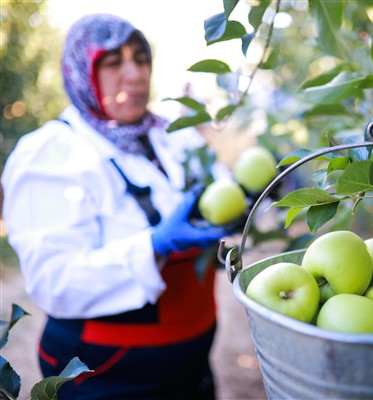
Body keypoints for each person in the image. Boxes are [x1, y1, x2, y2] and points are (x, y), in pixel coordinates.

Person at [2, 13, 232, 399]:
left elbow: (222, 189)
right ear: (82, 70)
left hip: (192, 361)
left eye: (141, 59)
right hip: (106, 370)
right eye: (113, 62)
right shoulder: (52, 154)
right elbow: (54, 280)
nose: (136, 74)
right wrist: (152, 246)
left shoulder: (173, 136)